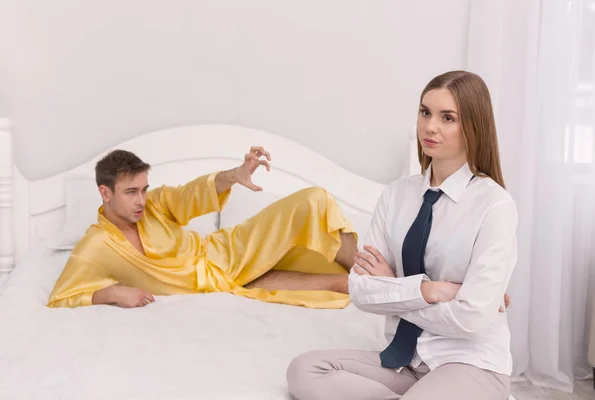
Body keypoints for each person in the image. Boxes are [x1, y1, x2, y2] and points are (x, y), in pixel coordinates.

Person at [286, 70, 517, 400]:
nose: (430, 126)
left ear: (473, 127)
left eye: (447, 118)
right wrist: (434, 290)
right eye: (425, 112)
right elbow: (361, 290)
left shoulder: (494, 205)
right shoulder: (396, 195)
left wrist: (395, 289)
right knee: (304, 371)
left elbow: (473, 318)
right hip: (405, 363)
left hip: (470, 362)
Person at [47, 146, 358, 309]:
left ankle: (373, 272)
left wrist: (235, 175)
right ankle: (375, 284)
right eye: (131, 193)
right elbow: (62, 297)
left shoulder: (156, 203)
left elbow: (192, 194)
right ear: (105, 193)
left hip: (231, 254)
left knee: (314, 200)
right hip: (226, 285)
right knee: (344, 287)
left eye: (144, 189)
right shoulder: (95, 246)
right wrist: (112, 294)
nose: (141, 200)